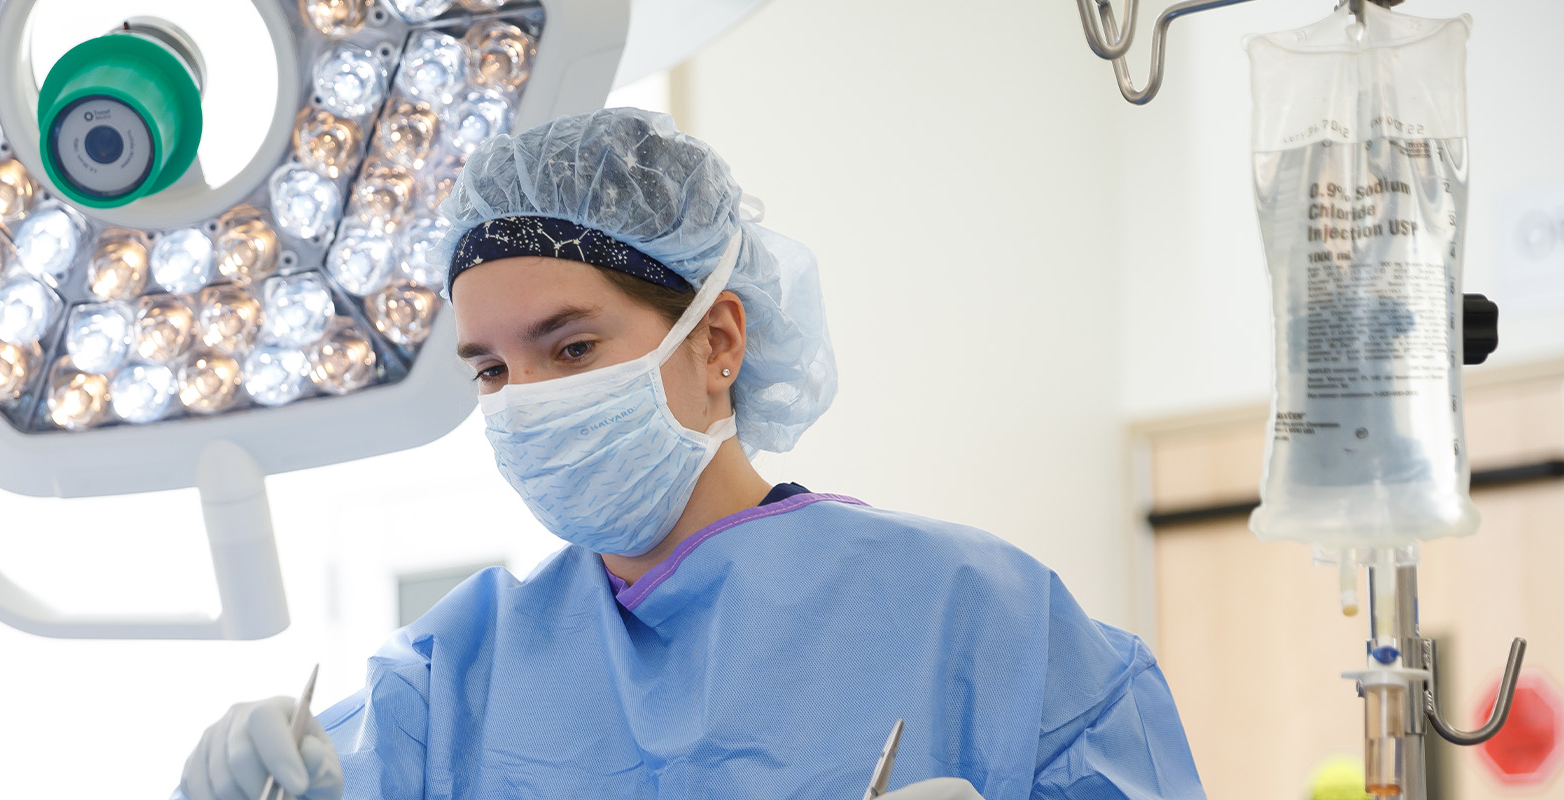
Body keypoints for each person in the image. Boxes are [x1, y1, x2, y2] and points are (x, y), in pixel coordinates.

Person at [177, 109, 1203, 800]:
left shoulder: (987, 623)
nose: (527, 402)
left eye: (571, 347)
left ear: (716, 342)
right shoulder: (446, 685)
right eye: (490, 369)